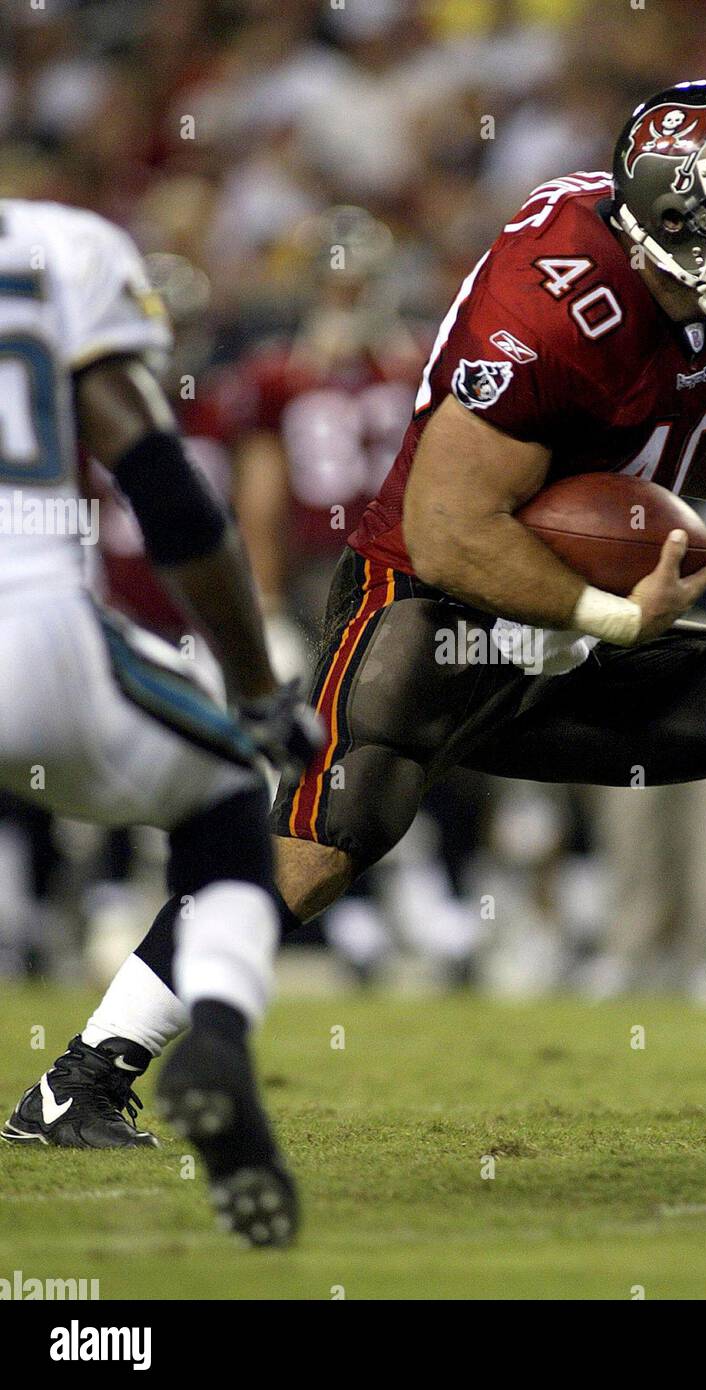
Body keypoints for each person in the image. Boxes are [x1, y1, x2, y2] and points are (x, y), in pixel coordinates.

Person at [14, 81, 706, 1152]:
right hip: (430, 612)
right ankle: (78, 1080)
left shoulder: (691, 309)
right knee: (315, 850)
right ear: (676, 216)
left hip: (561, 617)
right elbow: (448, 528)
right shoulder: (559, 301)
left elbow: (653, 427)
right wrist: (611, 619)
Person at [0, 196, 322, 1246]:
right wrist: (259, 688)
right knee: (231, 786)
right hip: (32, 626)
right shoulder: (58, 245)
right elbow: (167, 490)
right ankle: (217, 1031)